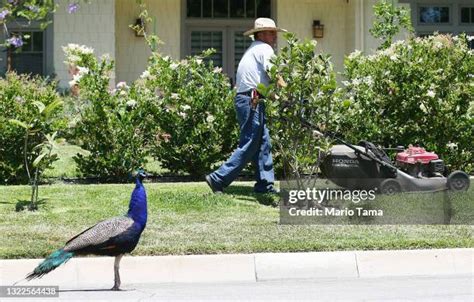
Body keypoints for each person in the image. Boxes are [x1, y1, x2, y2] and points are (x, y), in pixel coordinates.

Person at [205, 18, 287, 194]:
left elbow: (257, 80)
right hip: (252, 100)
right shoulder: (264, 48)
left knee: (263, 143)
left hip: (250, 99)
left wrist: (275, 96)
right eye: (271, 32)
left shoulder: (253, 49)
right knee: (250, 142)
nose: (274, 36)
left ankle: (265, 185)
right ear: (261, 34)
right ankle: (218, 178)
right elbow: (273, 73)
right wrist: (286, 89)